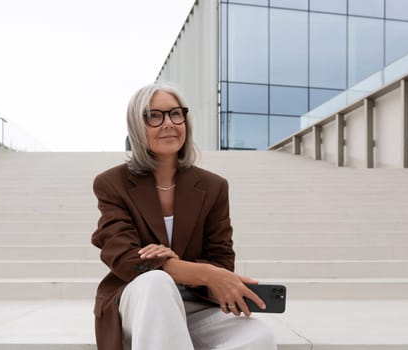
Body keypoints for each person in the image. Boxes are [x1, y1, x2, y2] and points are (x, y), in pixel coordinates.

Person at [91, 83, 277, 350]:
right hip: (138, 303)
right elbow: (124, 259)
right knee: (156, 281)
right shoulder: (112, 183)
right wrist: (201, 272)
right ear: (137, 125)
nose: (168, 123)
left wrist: (178, 265)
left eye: (175, 114)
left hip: (195, 302)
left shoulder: (213, 186)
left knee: (259, 336)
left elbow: (221, 261)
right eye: (155, 116)